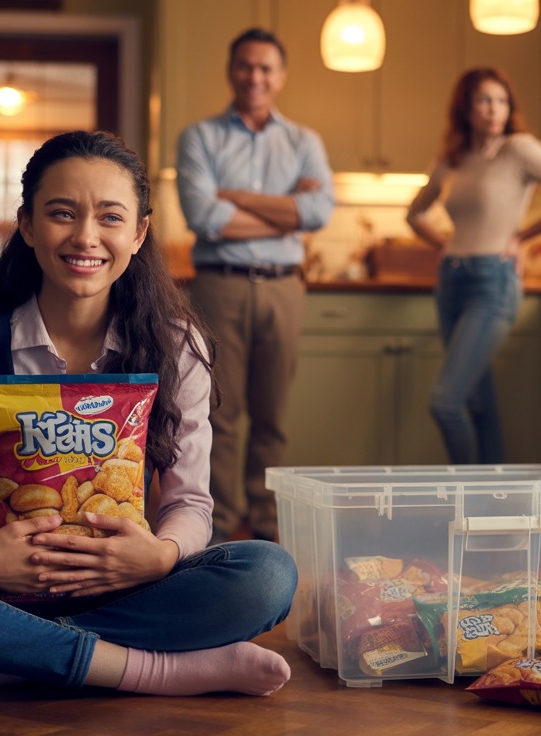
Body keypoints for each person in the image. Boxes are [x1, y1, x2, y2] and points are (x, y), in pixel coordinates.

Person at [0, 130, 298, 701]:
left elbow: (189, 504)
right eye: (62, 213)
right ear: (27, 225)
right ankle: (154, 671)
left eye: (109, 217)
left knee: (269, 574)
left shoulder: (177, 345)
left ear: (139, 232)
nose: (85, 237)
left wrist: (160, 556)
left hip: (131, 585)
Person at [176, 27, 335, 544]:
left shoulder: (303, 141)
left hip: (284, 288)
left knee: (272, 416)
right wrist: (287, 213)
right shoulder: (200, 137)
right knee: (218, 412)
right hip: (218, 287)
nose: (255, 77)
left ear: (281, 76)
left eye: (266, 68)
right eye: (246, 66)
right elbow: (203, 216)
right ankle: (217, 528)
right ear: (231, 71)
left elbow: (319, 211)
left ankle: (265, 525)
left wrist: (237, 198)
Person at [406, 67, 541, 465]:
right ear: (465, 108)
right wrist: (445, 244)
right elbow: (414, 214)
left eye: (502, 100)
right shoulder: (450, 160)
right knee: (476, 401)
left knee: (445, 403)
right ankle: (490, 509)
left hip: (494, 282)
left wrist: (521, 237)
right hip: (451, 281)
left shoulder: (519, 149)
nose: (494, 109)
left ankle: (466, 501)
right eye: (483, 100)